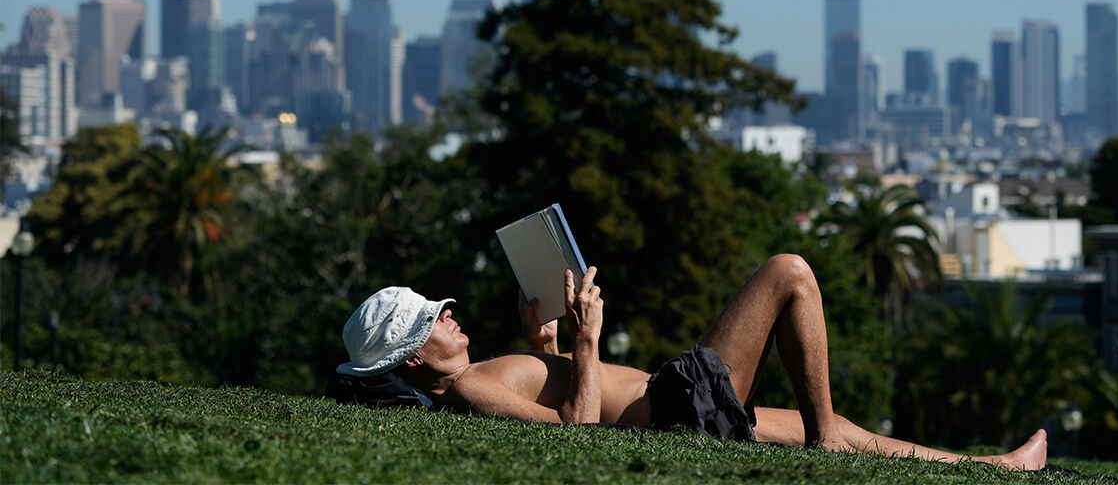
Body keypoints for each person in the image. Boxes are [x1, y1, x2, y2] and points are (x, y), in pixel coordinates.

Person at [333, 254, 1047, 471]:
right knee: (789, 274)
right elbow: (577, 436)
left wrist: (546, 347)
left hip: (680, 406)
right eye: (433, 321)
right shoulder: (467, 392)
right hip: (678, 408)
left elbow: (556, 404)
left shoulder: (477, 382)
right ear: (414, 358)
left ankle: (995, 468)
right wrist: (587, 338)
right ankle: (828, 438)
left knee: (839, 428)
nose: (449, 316)